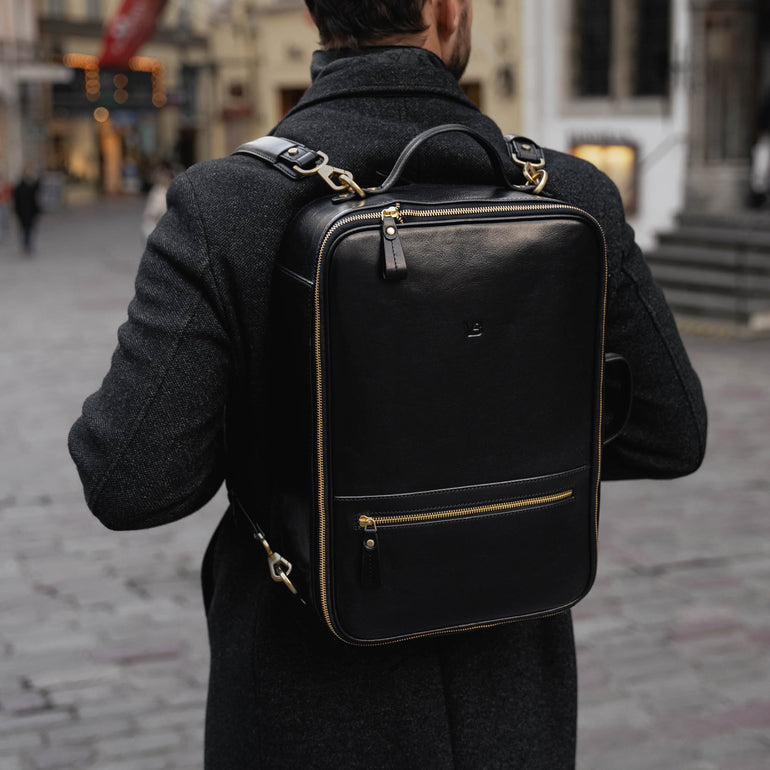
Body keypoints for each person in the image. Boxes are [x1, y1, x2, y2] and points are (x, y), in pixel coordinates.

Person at [68, 2, 707, 767]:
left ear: (312, 11)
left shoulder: (227, 205)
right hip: (511, 713)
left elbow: (131, 480)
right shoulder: (566, 192)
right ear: (447, 10)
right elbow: (672, 433)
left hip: (303, 708)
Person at [140, 163, 174, 244]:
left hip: (150, 228)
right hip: (153, 229)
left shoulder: (157, 190)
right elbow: (154, 212)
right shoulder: (160, 193)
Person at [12, 168, 41, 254]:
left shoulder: (26, 186)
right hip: (25, 213)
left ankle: (27, 246)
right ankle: (26, 246)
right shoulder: (22, 187)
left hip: (28, 213)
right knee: (26, 230)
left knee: (27, 230)